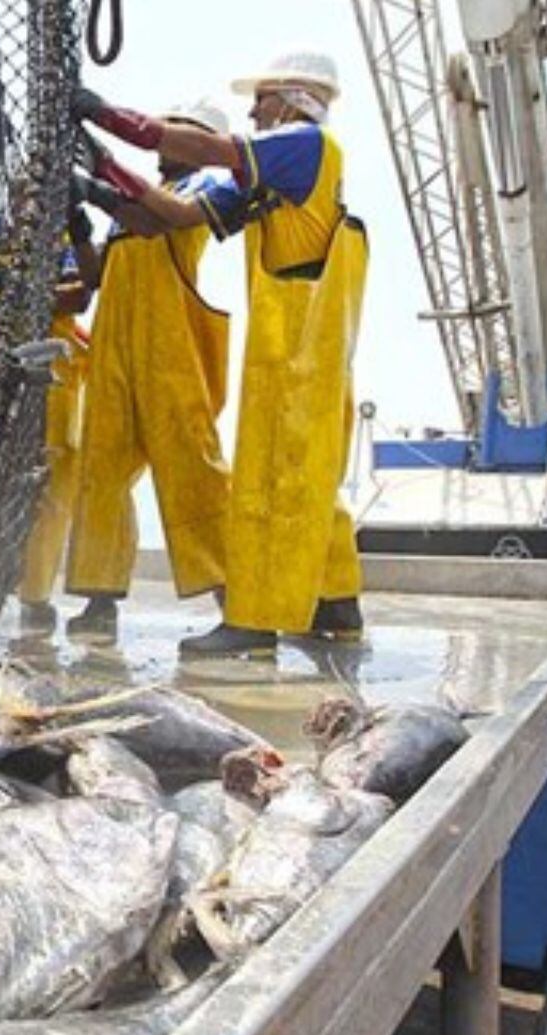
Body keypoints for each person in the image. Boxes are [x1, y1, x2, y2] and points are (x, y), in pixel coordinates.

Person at [77, 49, 369, 656]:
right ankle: (334, 600)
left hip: (299, 339)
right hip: (291, 336)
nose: (254, 111)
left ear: (293, 97)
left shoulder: (302, 142)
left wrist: (105, 117)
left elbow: (213, 155)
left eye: (261, 99)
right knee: (308, 472)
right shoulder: (274, 172)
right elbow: (176, 214)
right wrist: (99, 177)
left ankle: (254, 623)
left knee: (273, 476)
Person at [56, 98, 236, 637]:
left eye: (177, 131)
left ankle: (237, 598)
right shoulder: (130, 211)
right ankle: (99, 598)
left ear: (199, 140)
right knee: (101, 470)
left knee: (191, 468)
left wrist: (99, 175)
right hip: (115, 350)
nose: (164, 142)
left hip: (171, 353)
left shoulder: (201, 190)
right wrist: (79, 220)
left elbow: (159, 221)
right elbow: (94, 281)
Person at [14, 202, 104, 629]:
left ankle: (34, 596)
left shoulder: (64, 238)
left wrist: (21, 300)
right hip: (2, 370)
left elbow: (80, 295)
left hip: (54, 375)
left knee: (51, 483)